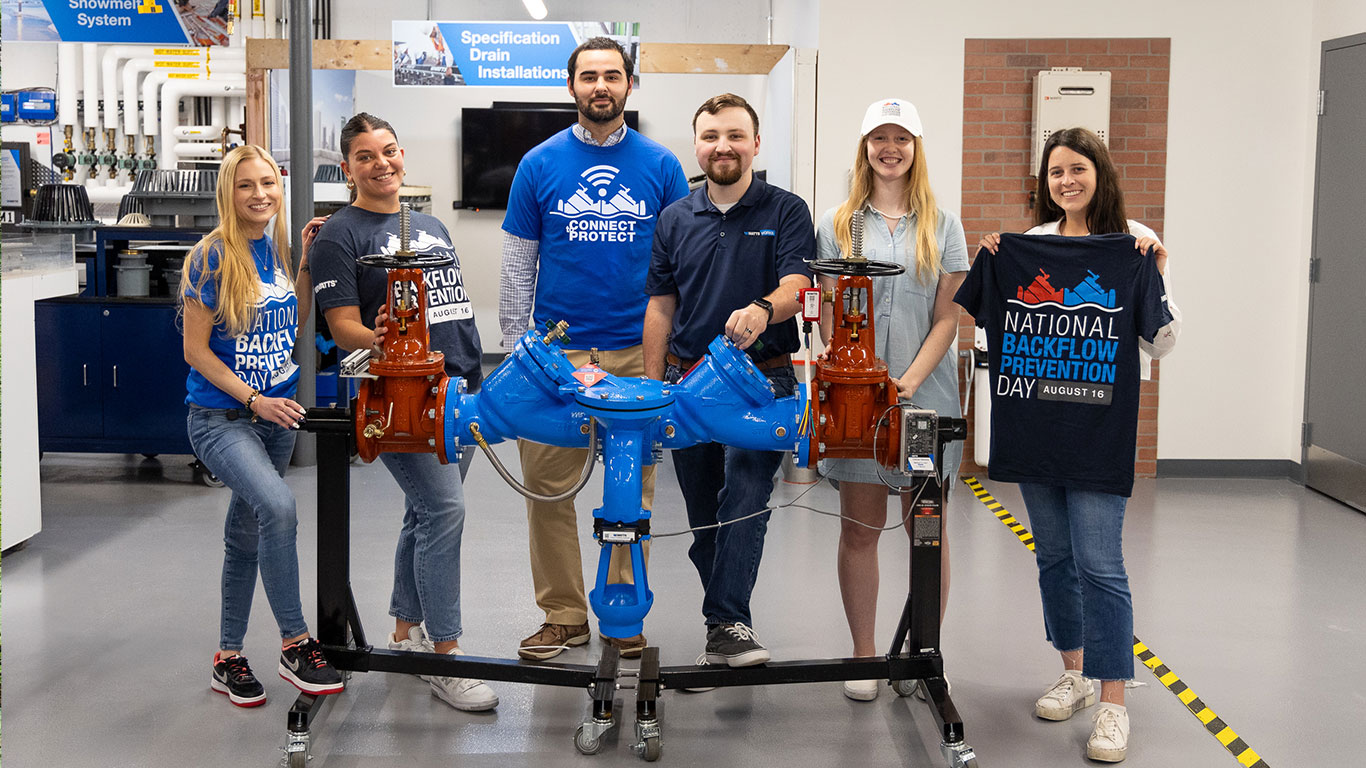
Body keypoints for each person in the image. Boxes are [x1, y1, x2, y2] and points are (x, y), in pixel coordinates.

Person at [969, 127, 1181, 762]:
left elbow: (1161, 343)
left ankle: (1113, 701)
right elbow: (984, 333)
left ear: (1101, 174)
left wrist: (1159, 274)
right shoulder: (1026, 247)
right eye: (1055, 172)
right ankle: (1075, 670)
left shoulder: (1134, 245)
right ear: (1044, 182)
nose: (1066, 181)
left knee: (1100, 565)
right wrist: (994, 258)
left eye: (1078, 169)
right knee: (1053, 559)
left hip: (1098, 433)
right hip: (1037, 432)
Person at [500, 36, 689, 660]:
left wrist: (669, 356)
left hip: (639, 357)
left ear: (629, 85)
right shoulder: (537, 164)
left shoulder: (661, 167)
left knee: (631, 496)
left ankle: (622, 612)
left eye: (612, 75)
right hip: (558, 357)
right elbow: (518, 263)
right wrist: (516, 352)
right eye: (588, 76)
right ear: (572, 86)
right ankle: (563, 614)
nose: (600, 86)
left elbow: (679, 265)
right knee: (547, 492)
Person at [309, 112, 497, 712]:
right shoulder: (339, 235)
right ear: (348, 169)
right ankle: (446, 654)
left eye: (388, 151)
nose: (381, 163)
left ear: (402, 154)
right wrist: (382, 338)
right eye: (365, 156)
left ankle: (402, 636)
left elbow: (450, 310)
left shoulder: (432, 222)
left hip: (458, 388)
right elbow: (342, 329)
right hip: (399, 399)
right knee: (444, 510)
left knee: (424, 514)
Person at [644, 93, 815, 670]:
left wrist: (765, 308)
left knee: (745, 496)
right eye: (712, 136)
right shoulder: (674, 218)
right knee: (702, 516)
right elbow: (661, 308)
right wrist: (652, 391)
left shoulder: (786, 211)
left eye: (735, 135)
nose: (723, 146)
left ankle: (726, 622)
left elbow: (799, 284)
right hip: (687, 383)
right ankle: (728, 621)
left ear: (755, 143)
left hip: (762, 381)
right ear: (696, 145)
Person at [815, 98, 968, 702]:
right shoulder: (838, 221)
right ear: (864, 147)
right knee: (860, 529)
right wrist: (853, 376)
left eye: (901, 138)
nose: (890, 148)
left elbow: (948, 318)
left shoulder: (943, 225)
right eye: (879, 137)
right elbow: (827, 307)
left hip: (922, 397)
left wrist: (905, 380)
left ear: (916, 149)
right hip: (856, 403)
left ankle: (923, 650)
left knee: (926, 529)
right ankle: (863, 655)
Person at [182, 144, 342, 707]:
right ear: (229, 192)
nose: (260, 195)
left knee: (245, 535)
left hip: (275, 418)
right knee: (278, 509)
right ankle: (296, 642)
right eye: (247, 185)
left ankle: (227, 657)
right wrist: (254, 400)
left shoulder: (271, 248)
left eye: (269, 183)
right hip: (224, 418)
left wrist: (303, 263)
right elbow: (196, 352)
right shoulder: (212, 256)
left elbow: (293, 319)